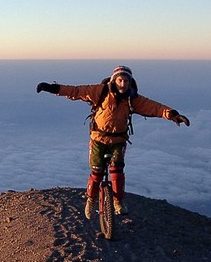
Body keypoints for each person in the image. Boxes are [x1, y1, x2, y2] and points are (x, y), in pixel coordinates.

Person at [36, 65, 190, 219]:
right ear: (114, 80)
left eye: (126, 81)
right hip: (98, 139)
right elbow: (76, 91)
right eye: (120, 80)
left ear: (130, 83)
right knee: (97, 172)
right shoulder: (101, 91)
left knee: (117, 171)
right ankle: (91, 200)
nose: (123, 84)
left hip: (118, 140)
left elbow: (154, 107)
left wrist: (173, 115)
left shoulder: (132, 98)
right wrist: (53, 88)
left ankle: (118, 202)